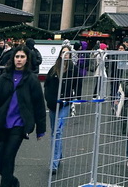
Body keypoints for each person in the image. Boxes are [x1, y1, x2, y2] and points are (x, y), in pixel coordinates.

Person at [0, 46, 46, 187]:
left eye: (22, 57)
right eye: (17, 57)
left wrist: (40, 129)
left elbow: (39, 105)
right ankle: (13, 182)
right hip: (2, 124)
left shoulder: (32, 80)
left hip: (18, 126)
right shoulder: (4, 78)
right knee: (0, 161)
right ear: (13, 58)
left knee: (8, 157)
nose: (19, 60)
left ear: (27, 59)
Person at [44, 46, 76, 174]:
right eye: (63, 52)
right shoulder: (53, 69)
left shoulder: (73, 69)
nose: (65, 54)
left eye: (68, 53)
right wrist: (49, 100)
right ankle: (59, 154)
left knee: (58, 132)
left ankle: (54, 162)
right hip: (53, 105)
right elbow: (47, 86)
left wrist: (73, 99)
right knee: (54, 132)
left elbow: (77, 84)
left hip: (65, 104)